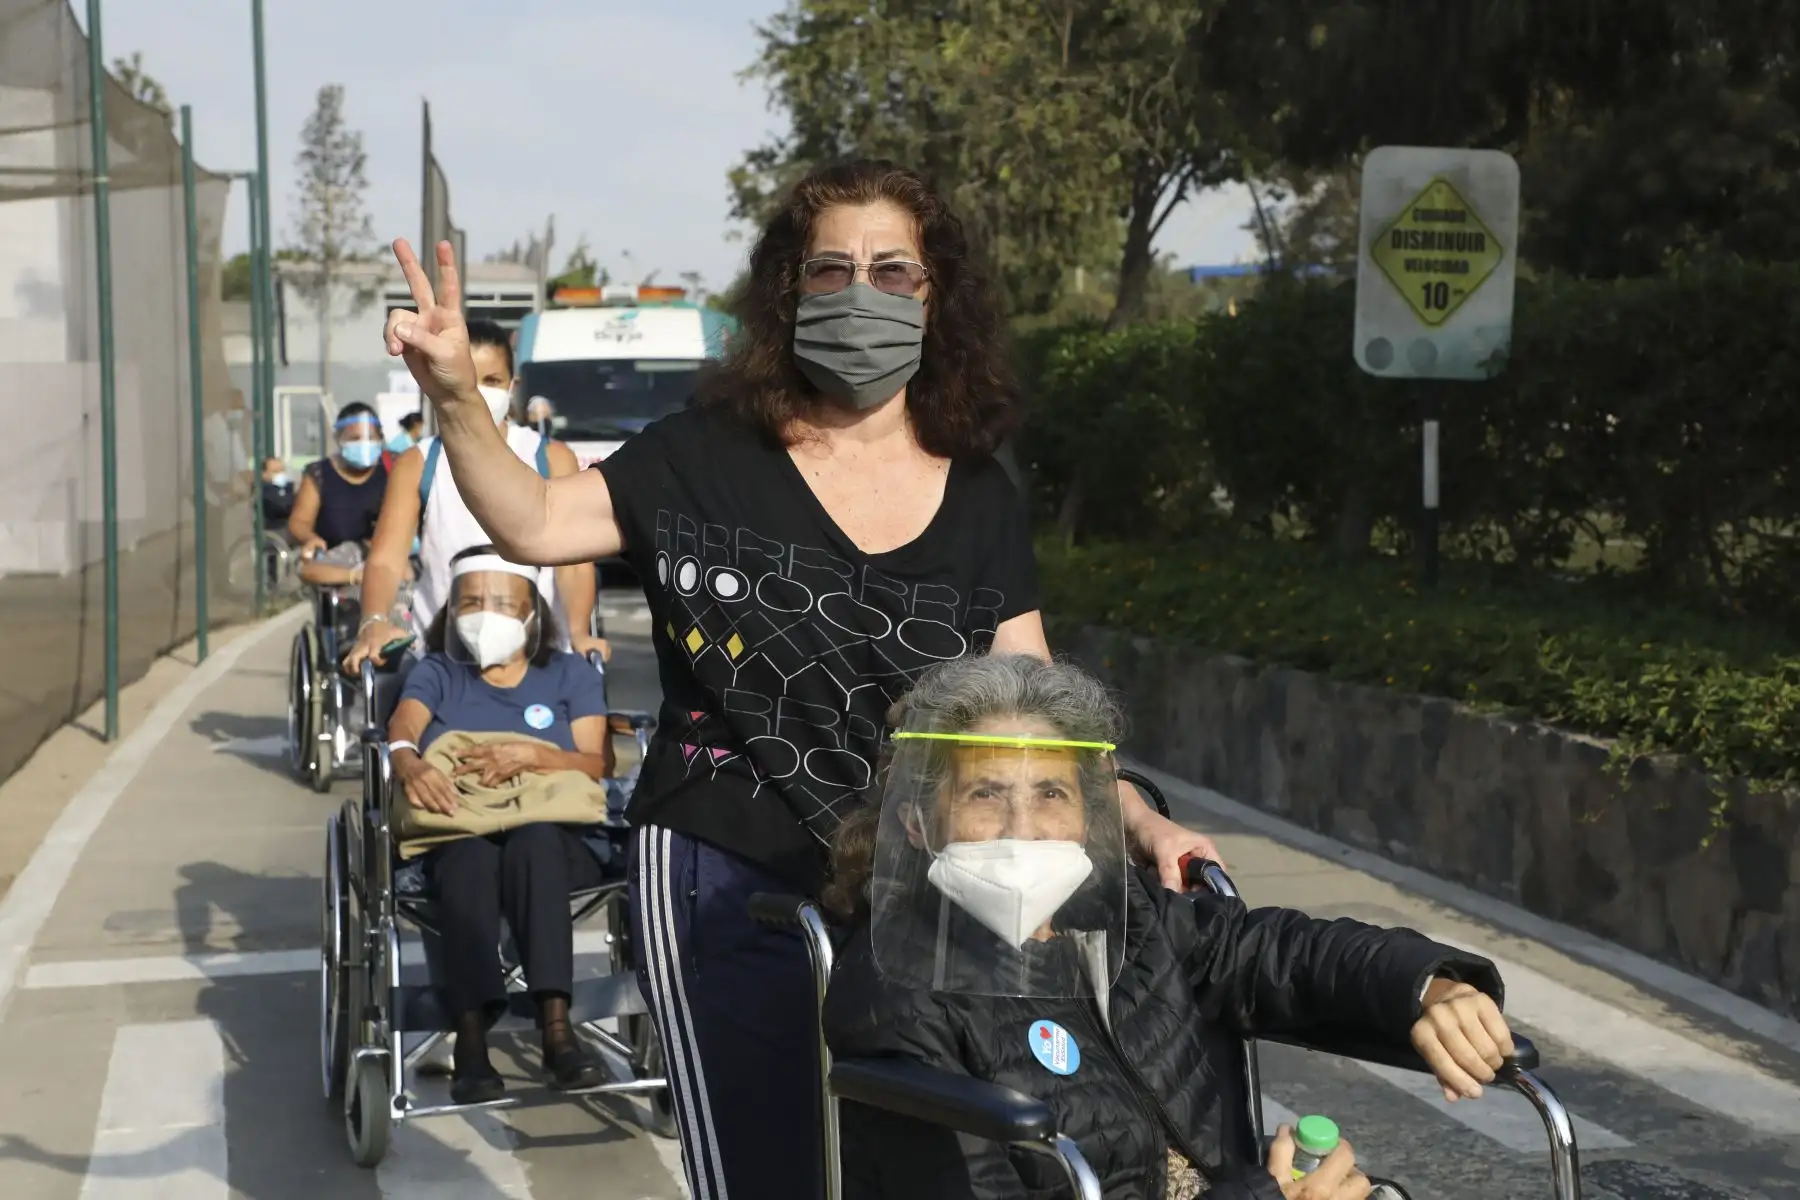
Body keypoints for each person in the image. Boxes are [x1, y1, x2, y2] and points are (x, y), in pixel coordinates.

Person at [380, 158, 1221, 1198]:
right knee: (770, 1169)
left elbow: (1033, 707)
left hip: (915, 890)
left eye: (892, 270)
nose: (861, 292)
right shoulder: (705, 455)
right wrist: (459, 397)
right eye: (831, 269)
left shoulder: (980, 491)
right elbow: (536, 521)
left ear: (935, 296)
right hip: (723, 873)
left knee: (922, 1168)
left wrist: (1138, 820)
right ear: (790, 292)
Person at [823, 654, 1516, 1200]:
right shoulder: (896, 999)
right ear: (916, 821)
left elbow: (1277, 951)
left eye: (1051, 794)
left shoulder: (1127, 917)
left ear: (1090, 815)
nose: (1024, 829)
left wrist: (1429, 987)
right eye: (985, 794)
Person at [387, 545, 616, 1105]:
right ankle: (470, 1041)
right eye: (470, 602)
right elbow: (402, 728)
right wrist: (408, 761)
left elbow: (599, 762)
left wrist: (535, 757)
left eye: (501, 603)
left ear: (533, 614)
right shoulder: (438, 671)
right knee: (467, 858)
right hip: (463, 826)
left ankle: (556, 1030)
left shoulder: (567, 674)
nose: (484, 614)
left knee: (533, 844)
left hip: (554, 833)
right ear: (450, 611)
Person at [343, 320, 605, 675]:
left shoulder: (551, 457)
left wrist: (578, 632)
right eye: (468, 378)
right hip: (443, 656)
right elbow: (387, 559)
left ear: (512, 386)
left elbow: (573, 563)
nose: (479, 392)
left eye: (492, 380)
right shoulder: (419, 462)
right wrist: (372, 621)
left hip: (537, 656)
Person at [288, 401, 390, 589]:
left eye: (370, 437)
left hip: (380, 561)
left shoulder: (392, 472)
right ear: (339, 439)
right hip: (333, 568)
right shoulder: (320, 474)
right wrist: (309, 538)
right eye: (355, 438)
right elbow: (299, 522)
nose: (364, 444)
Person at [259, 457, 296, 531]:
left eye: (282, 470)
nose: (280, 474)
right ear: (264, 474)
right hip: (274, 531)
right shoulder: (263, 492)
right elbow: (282, 507)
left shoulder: (287, 489)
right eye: (275, 471)